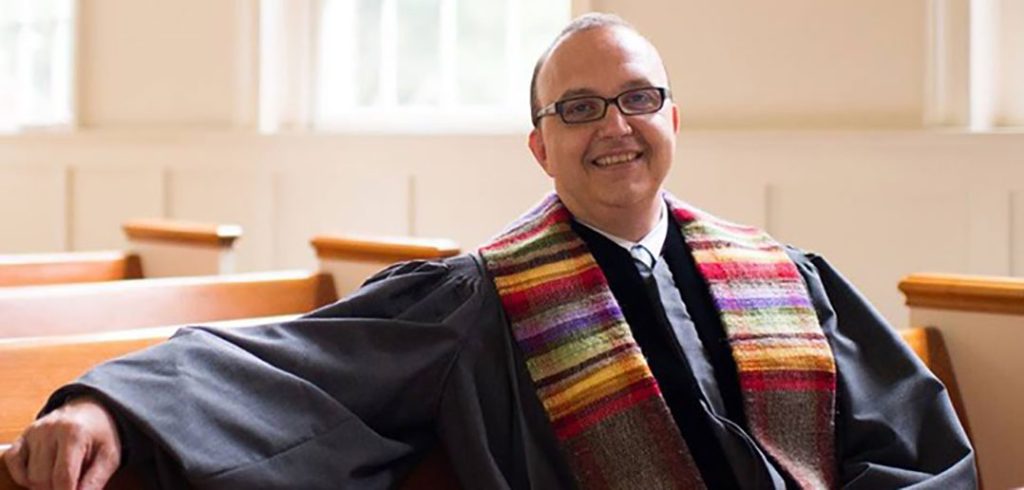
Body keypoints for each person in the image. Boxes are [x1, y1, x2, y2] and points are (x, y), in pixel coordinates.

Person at [4, 13, 976, 490]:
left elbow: (911, 446)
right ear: (538, 142)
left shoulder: (786, 279)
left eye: (636, 98)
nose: (615, 127)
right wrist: (108, 405)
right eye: (579, 107)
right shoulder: (478, 297)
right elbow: (288, 367)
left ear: (672, 117)